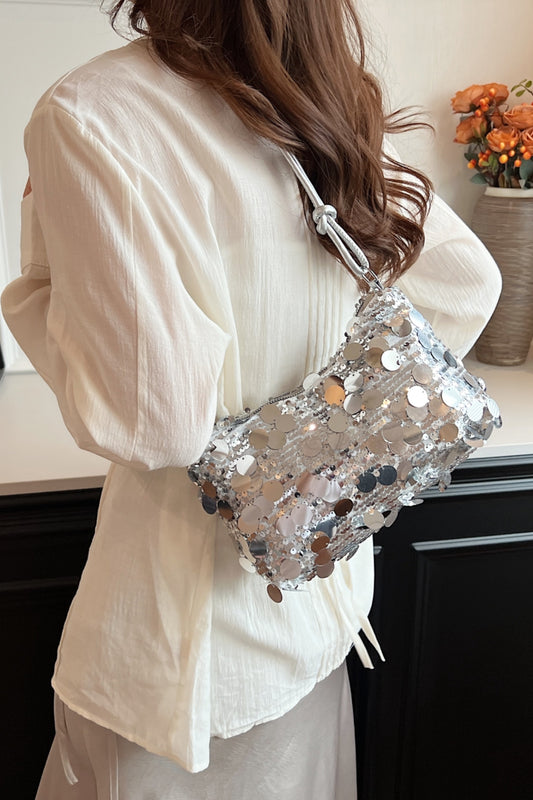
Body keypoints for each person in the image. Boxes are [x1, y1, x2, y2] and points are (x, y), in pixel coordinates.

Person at [1, 1, 501, 798]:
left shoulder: (90, 113)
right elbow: (465, 284)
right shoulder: (322, 95)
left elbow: (154, 423)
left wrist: (34, 285)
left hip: (179, 665)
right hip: (318, 606)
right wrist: (312, 445)